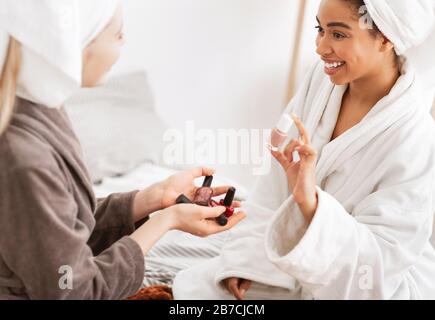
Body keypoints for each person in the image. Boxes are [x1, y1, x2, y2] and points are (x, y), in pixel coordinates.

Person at [172, 0, 435, 299]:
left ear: (386, 37)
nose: (321, 47)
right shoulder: (321, 82)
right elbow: (273, 183)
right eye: (319, 30)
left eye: (338, 34)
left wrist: (311, 205)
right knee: (198, 290)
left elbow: (382, 258)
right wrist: (248, 261)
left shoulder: (415, 137)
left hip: (365, 283)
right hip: (297, 252)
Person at [0, 0, 245, 300]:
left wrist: (154, 198)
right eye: (118, 34)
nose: (124, 41)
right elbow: (74, 291)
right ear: (78, 42)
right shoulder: (25, 158)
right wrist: (166, 222)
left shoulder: (42, 106)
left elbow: (60, 227)